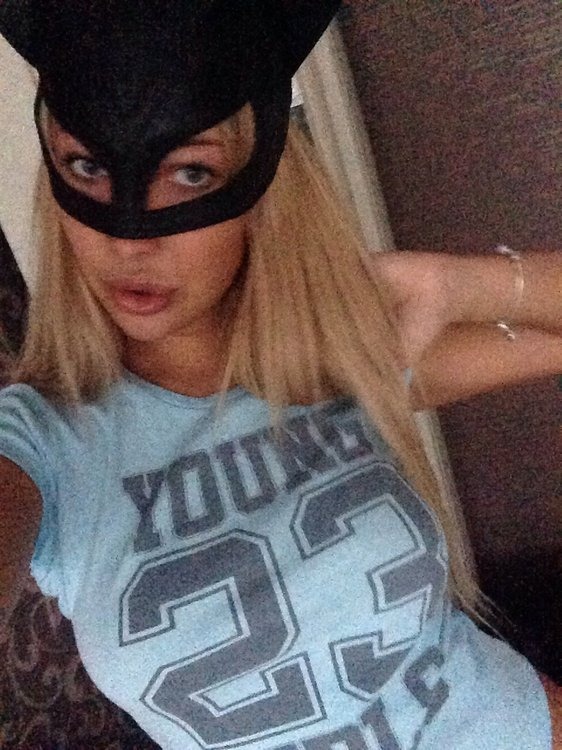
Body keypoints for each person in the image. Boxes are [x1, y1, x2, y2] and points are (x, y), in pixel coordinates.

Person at [0, 1, 560, 748]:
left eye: (191, 172)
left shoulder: (335, 362)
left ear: (261, 188)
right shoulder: (41, 444)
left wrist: (462, 285)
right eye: (89, 166)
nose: (130, 243)